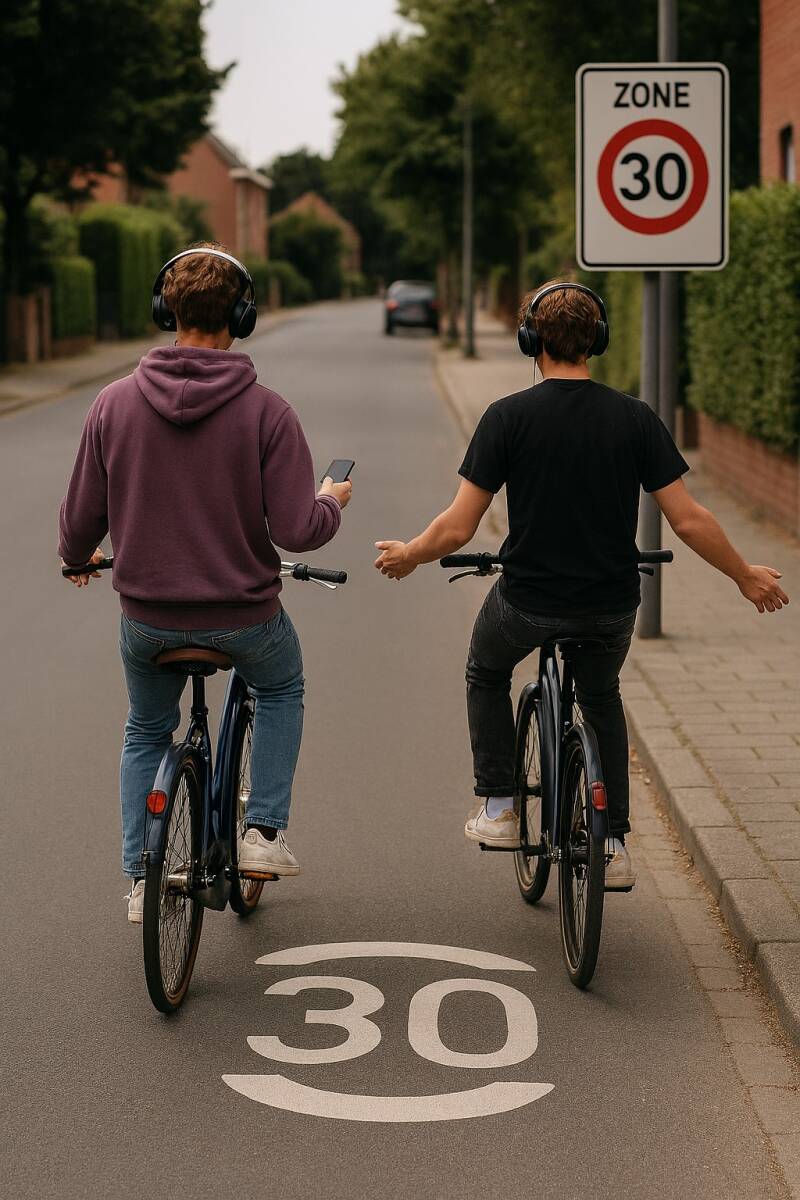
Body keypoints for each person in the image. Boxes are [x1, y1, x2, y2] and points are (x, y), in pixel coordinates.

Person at [374, 280, 788, 889]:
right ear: (597, 339)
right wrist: (744, 575)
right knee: (600, 699)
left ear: (529, 342)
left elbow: (459, 526)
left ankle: (499, 806)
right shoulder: (635, 418)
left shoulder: (507, 417)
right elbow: (690, 519)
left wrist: (411, 553)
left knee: (485, 672)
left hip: (528, 605)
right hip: (610, 605)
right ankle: (614, 841)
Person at [59, 244, 352, 922]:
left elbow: (79, 521)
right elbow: (299, 530)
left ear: (167, 311)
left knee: (145, 730)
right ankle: (263, 833)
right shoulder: (268, 412)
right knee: (282, 685)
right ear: (241, 317)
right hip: (244, 618)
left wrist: (79, 556)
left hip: (147, 620)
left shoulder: (112, 404)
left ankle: (141, 879)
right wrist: (332, 498)